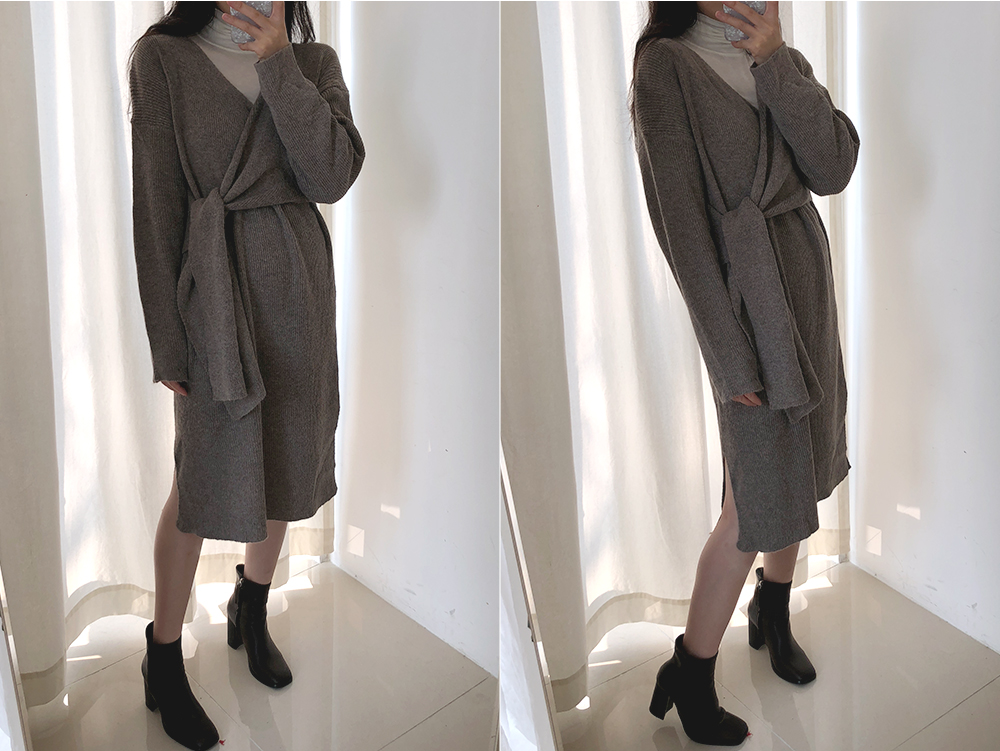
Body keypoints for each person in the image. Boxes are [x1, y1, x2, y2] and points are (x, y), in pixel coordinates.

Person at [126, 2, 364, 748]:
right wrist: (168, 340)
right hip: (213, 293)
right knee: (200, 483)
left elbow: (331, 175)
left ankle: (251, 606)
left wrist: (277, 65)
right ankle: (163, 657)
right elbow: (155, 203)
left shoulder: (312, 62)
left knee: (289, 461)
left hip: (297, 288)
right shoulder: (160, 59)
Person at [630, 1, 859, 745]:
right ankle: (690, 672)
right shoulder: (665, 67)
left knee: (802, 468)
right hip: (744, 305)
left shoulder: (773, 51)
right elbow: (681, 228)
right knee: (749, 507)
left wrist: (775, 61)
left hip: (805, 284)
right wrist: (729, 357)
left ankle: (773, 609)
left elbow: (834, 166)